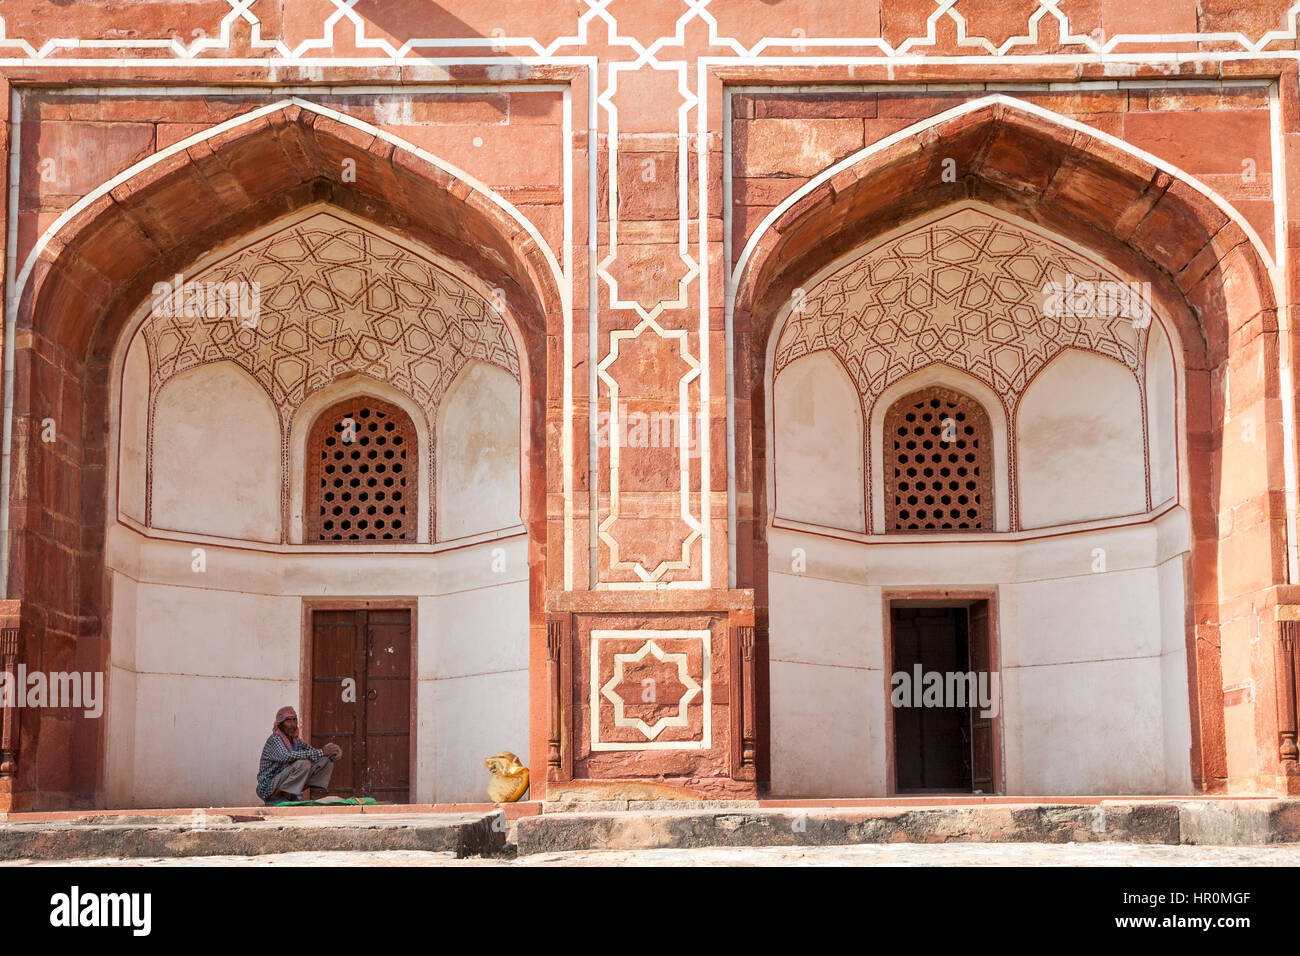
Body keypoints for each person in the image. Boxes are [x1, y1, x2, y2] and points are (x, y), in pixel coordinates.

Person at [256, 705, 342, 806]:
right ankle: (276, 797)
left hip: (283, 781)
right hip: (268, 787)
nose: (293, 724)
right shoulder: (275, 739)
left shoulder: (295, 741)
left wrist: (332, 753)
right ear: (280, 724)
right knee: (303, 764)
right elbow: (286, 756)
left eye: (295, 720)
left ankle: (289, 796)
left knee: (325, 761)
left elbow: (313, 753)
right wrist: (322, 752)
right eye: (288, 721)